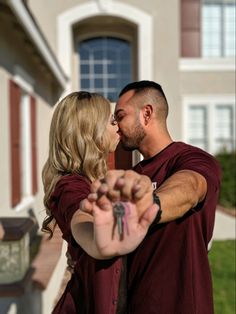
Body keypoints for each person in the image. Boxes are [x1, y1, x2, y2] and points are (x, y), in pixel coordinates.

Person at [85, 81, 222, 314]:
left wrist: (150, 205)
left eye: (121, 115)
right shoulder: (132, 174)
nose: (116, 126)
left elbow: (190, 188)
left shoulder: (192, 159)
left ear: (146, 113)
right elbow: (120, 238)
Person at [41, 91, 157, 314]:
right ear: (89, 131)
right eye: (112, 121)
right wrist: (99, 241)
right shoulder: (69, 186)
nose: (118, 127)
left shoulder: (91, 179)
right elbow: (81, 219)